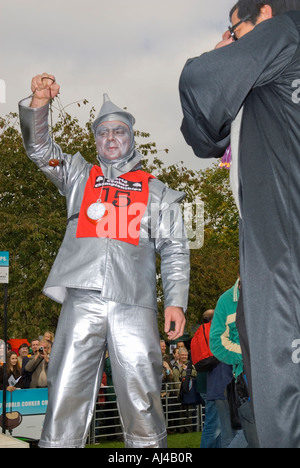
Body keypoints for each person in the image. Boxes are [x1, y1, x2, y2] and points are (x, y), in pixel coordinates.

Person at [18, 73, 190, 448]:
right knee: (65, 390)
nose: (111, 139)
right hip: (83, 299)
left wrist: (175, 301)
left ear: (132, 138)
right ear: (96, 140)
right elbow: (39, 148)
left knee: (142, 396)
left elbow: (176, 247)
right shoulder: (79, 175)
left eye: (119, 132)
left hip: (135, 303)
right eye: (103, 133)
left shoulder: (158, 191)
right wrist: (40, 104)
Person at [179, 0, 300, 448]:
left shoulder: (284, 32)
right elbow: (208, 140)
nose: (232, 39)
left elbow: (198, 83)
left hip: (283, 244)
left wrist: (218, 56)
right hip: (270, 237)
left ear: (263, 15)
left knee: (282, 388)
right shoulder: (269, 78)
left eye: (235, 29)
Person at [209, 280, 254, 447]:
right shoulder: (227, 300)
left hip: (279, 374)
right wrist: (250, 355)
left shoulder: (274, 288)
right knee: (247, 433)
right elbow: (217, 344)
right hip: (246, 379)